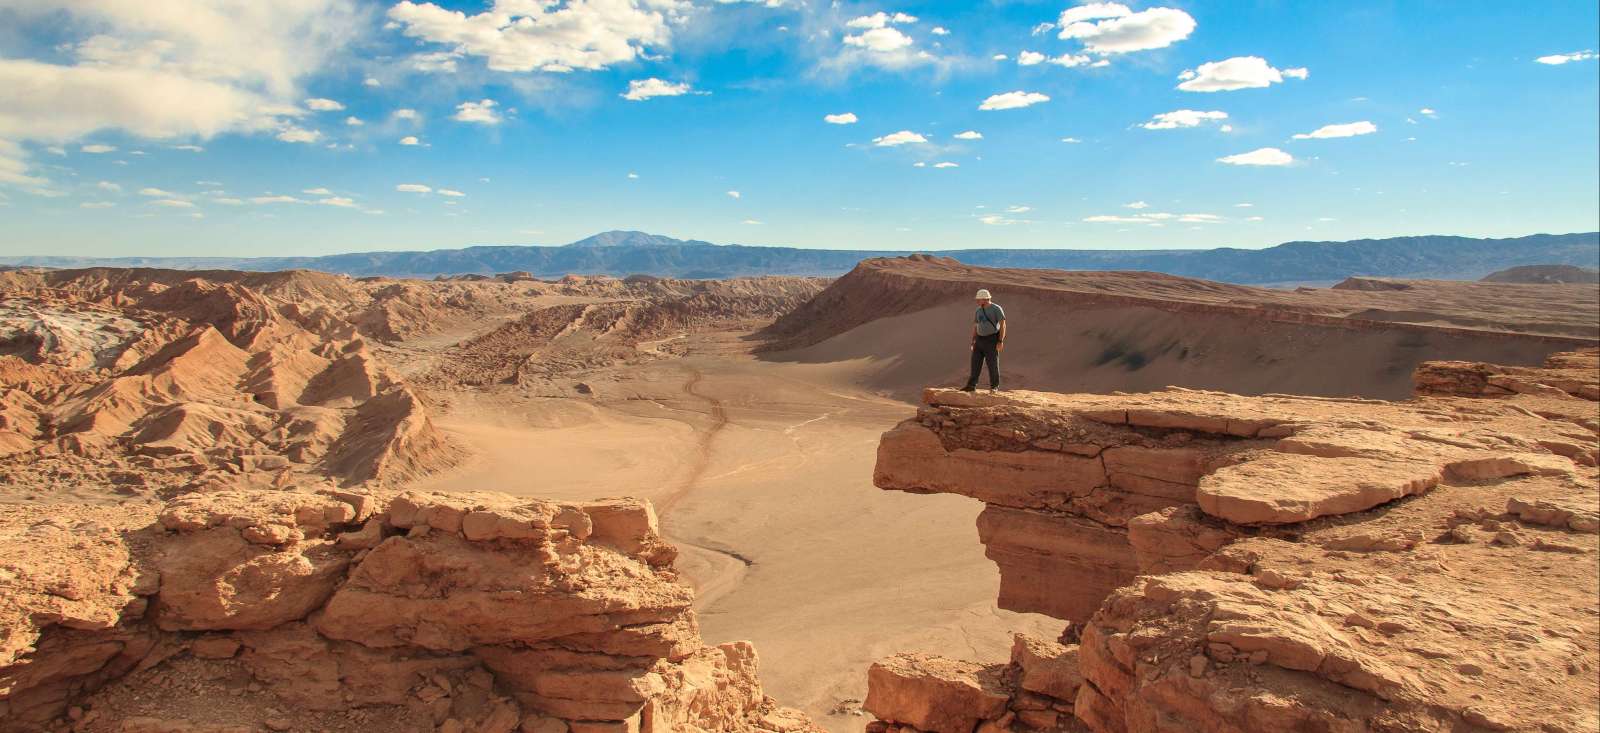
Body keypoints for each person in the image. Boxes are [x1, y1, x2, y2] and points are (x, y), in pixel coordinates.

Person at [962, 288, 1005, 392]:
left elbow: (1003, 325)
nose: (977, 301)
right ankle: (971, 385)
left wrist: (1000, 341)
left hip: (991, 339)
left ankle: (994, 387)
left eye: (979, 299)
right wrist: (973, 340)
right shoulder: (978, 310)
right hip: (979, 340)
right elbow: (976, 326)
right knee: (975, 363)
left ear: (985, 299)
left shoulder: (996, 308)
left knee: (992, 364)